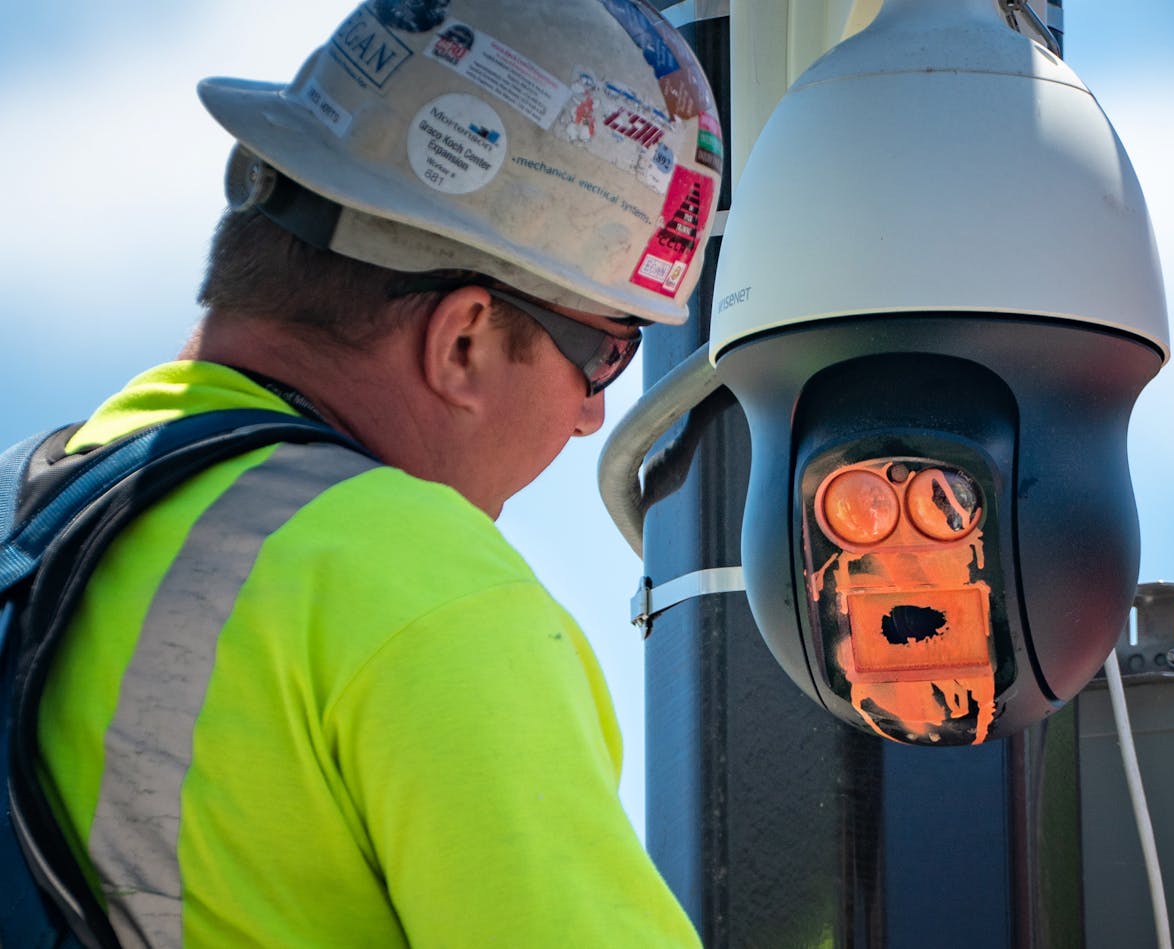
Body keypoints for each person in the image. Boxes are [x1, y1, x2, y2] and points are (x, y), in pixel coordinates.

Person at [32, 0, 722, 944]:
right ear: (465, 339)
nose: (591, 414)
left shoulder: (27, 515)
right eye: (604, 353)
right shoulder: (416, 581)